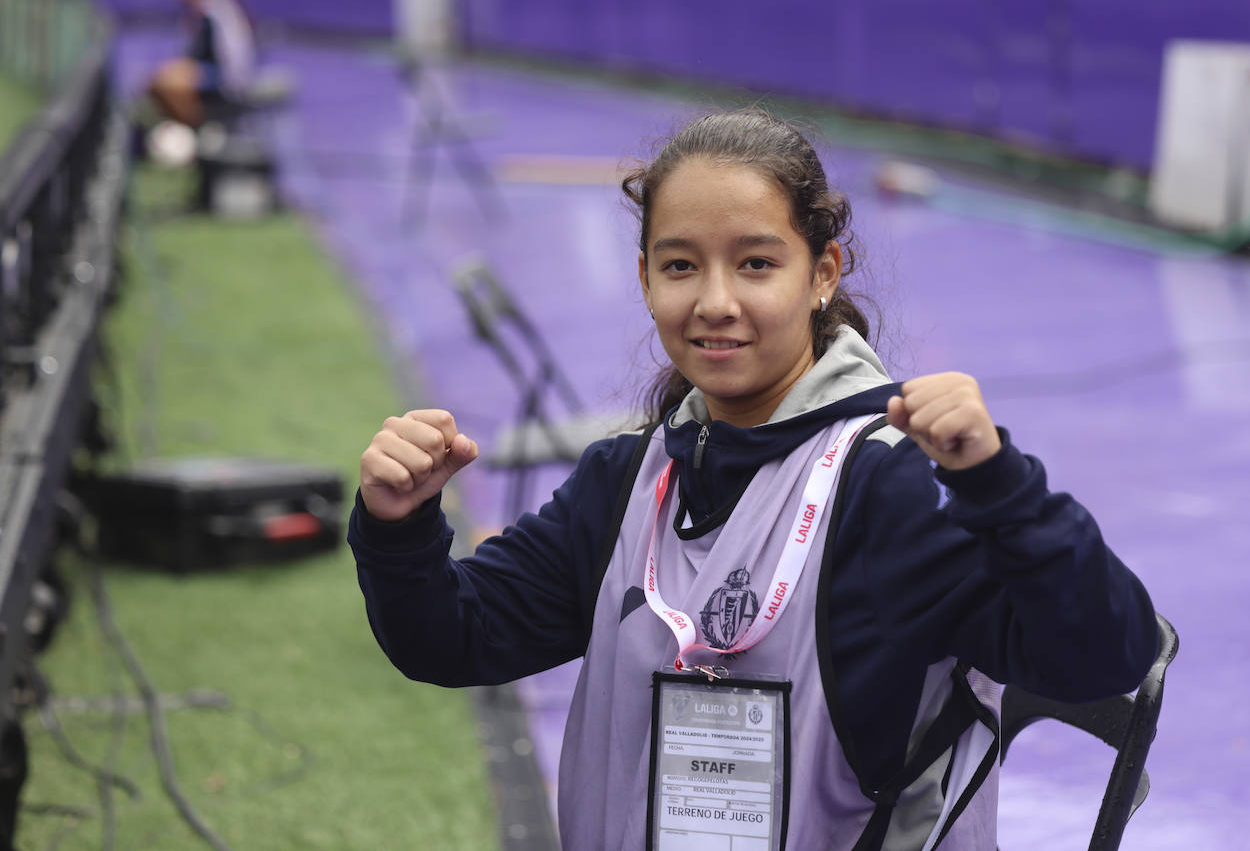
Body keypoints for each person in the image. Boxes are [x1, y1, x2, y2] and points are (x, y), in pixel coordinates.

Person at [349, 110, 1158, 850]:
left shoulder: (889, 489)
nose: (715, 301)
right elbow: (450, 638)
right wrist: (399, 526)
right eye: (680, 266)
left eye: (757, 263)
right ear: (645, 281)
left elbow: (1104, 654)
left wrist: (999, 484)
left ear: (823, 274)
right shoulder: (627, 480)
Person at [145, 0, 255, 129]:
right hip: (221, 67)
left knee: (164, 84)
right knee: (163, 77)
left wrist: (181, 69)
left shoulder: (209, 3)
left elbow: (207, 51)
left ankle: (194, 128)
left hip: (228, 75)